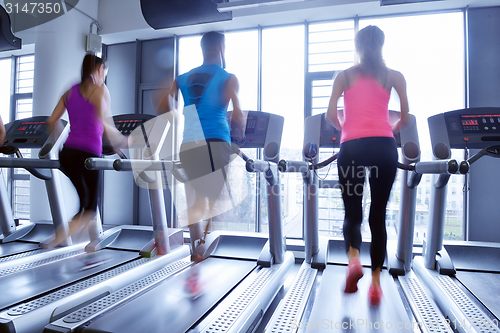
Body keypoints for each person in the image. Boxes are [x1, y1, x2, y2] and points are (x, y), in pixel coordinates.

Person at [325, 25, 409, 306]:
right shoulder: (394, 76)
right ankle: (375, 285)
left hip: (352, 148)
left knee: (352, 212)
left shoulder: (345, 75)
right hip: (385, 147)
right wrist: (389, 127)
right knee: (378, 215)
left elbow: (329, 115)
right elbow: (405, 118)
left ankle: (353, 262)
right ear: (382, 45)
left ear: (357, 46)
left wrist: (347, 128)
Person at [157, 31, 245, 296]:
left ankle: (196, 247)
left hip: (189, 143)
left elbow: (162, 106)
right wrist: (239, 131)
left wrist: (179, 113)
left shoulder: (183, 78)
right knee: (215, 202)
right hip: (217, 140)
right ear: (220, 47)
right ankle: (203, 244)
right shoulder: (229, 78)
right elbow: (239, 113)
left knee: (195, 200)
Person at [45, 53, 126, 249]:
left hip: (67, 155)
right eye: (105, 73)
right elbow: (106, 126)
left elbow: (51, 121)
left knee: (85, 201)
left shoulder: (71, 90)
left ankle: (92, 241)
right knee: (89, 208)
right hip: (89, 156)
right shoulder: (100, 91)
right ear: (99, 70)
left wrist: (64, 141)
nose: (104, 77)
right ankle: (56, 240)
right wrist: (127, 142)